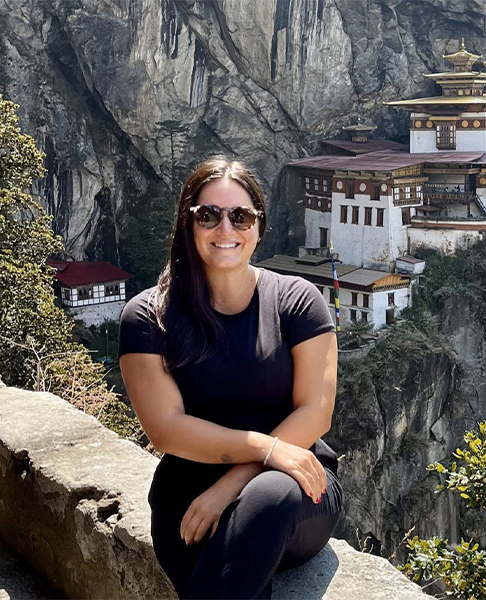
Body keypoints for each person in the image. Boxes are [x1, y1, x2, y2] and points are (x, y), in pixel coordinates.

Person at [118, 156, 342, 599]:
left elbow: (316, 412)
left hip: (296, 487)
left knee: (269, 494)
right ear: (188, 224)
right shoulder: (148, 317)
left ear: (258, 227)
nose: (225, 228)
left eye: (240, 216)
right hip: (189, 495)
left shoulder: (297, 303)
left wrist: (233, 483)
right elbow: (165, 429)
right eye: (208, 215)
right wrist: (264, 449)